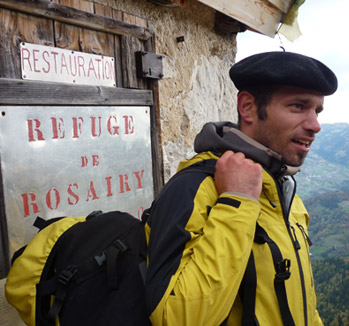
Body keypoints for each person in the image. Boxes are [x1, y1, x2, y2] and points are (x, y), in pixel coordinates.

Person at [144, 51, 338, 326]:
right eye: (298, 106)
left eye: (317, 111)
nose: (315, 125)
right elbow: (174, 318)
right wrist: (236, 203)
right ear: (247, 107)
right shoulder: (194, 187)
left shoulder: (282, 189)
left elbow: (302, 302)